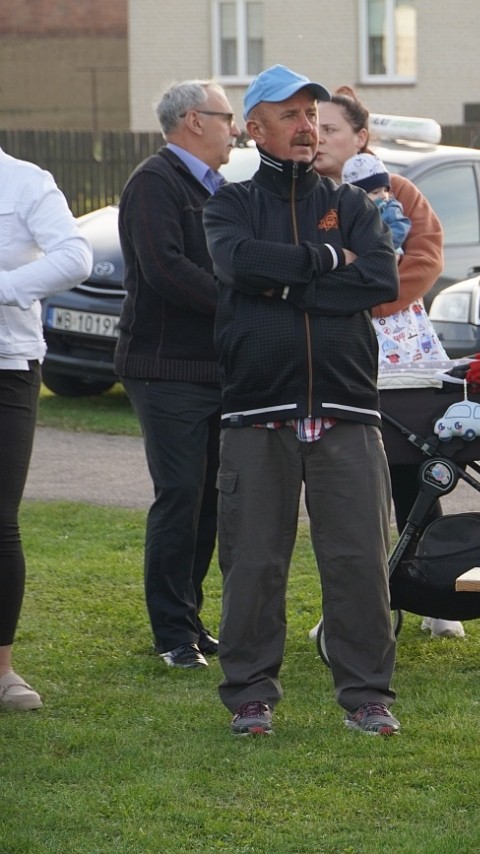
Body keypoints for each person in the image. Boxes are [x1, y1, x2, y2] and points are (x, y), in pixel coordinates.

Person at [203, 64, 401, 737]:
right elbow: (238, 265)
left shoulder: (354, 207)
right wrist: (325, 263)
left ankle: (368, 696)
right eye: (289, 114)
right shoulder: (228, 205)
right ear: (254, 127)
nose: (306, 126)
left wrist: (284, 280)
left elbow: (377, 278)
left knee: (358, 562)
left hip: (346, 408)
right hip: (256, 411)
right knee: (254, 561)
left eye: (312, 114)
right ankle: (250, 696)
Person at [313, 88, 461, 639]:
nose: (319, 136)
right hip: (329, 351)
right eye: (314, 126)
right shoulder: (299, 194)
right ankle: (351, 608)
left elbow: (423, 260)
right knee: (343, 485)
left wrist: (362, 293)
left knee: (415, 474)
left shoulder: (399, 192)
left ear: (360, 138)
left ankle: (435, 596)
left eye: (331, 128)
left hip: (398, 354)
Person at [115, 79, 238, 670]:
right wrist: (240, 302)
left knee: (210, 498)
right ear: (194, 120)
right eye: (227, 117)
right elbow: (166, 270)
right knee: (180, 495)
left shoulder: (213, 188)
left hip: (213, 369)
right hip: (165, 370)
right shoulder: (154, 183)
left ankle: (189, 621)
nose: (234, 128)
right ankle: (170, 634)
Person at [0, 146, 92, 710]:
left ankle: (2, 672)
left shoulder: (24, 181)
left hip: (7, 366)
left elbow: (76, 256)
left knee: (0, 522)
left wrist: (4, 287)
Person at [341, 152, 412, 253]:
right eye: (375, 192)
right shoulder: (349, 214)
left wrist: (382, 245)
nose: (383, 195)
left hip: (386, 252)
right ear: (356, 197)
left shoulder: (390, 209)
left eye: (386, 190)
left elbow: (400, 228)